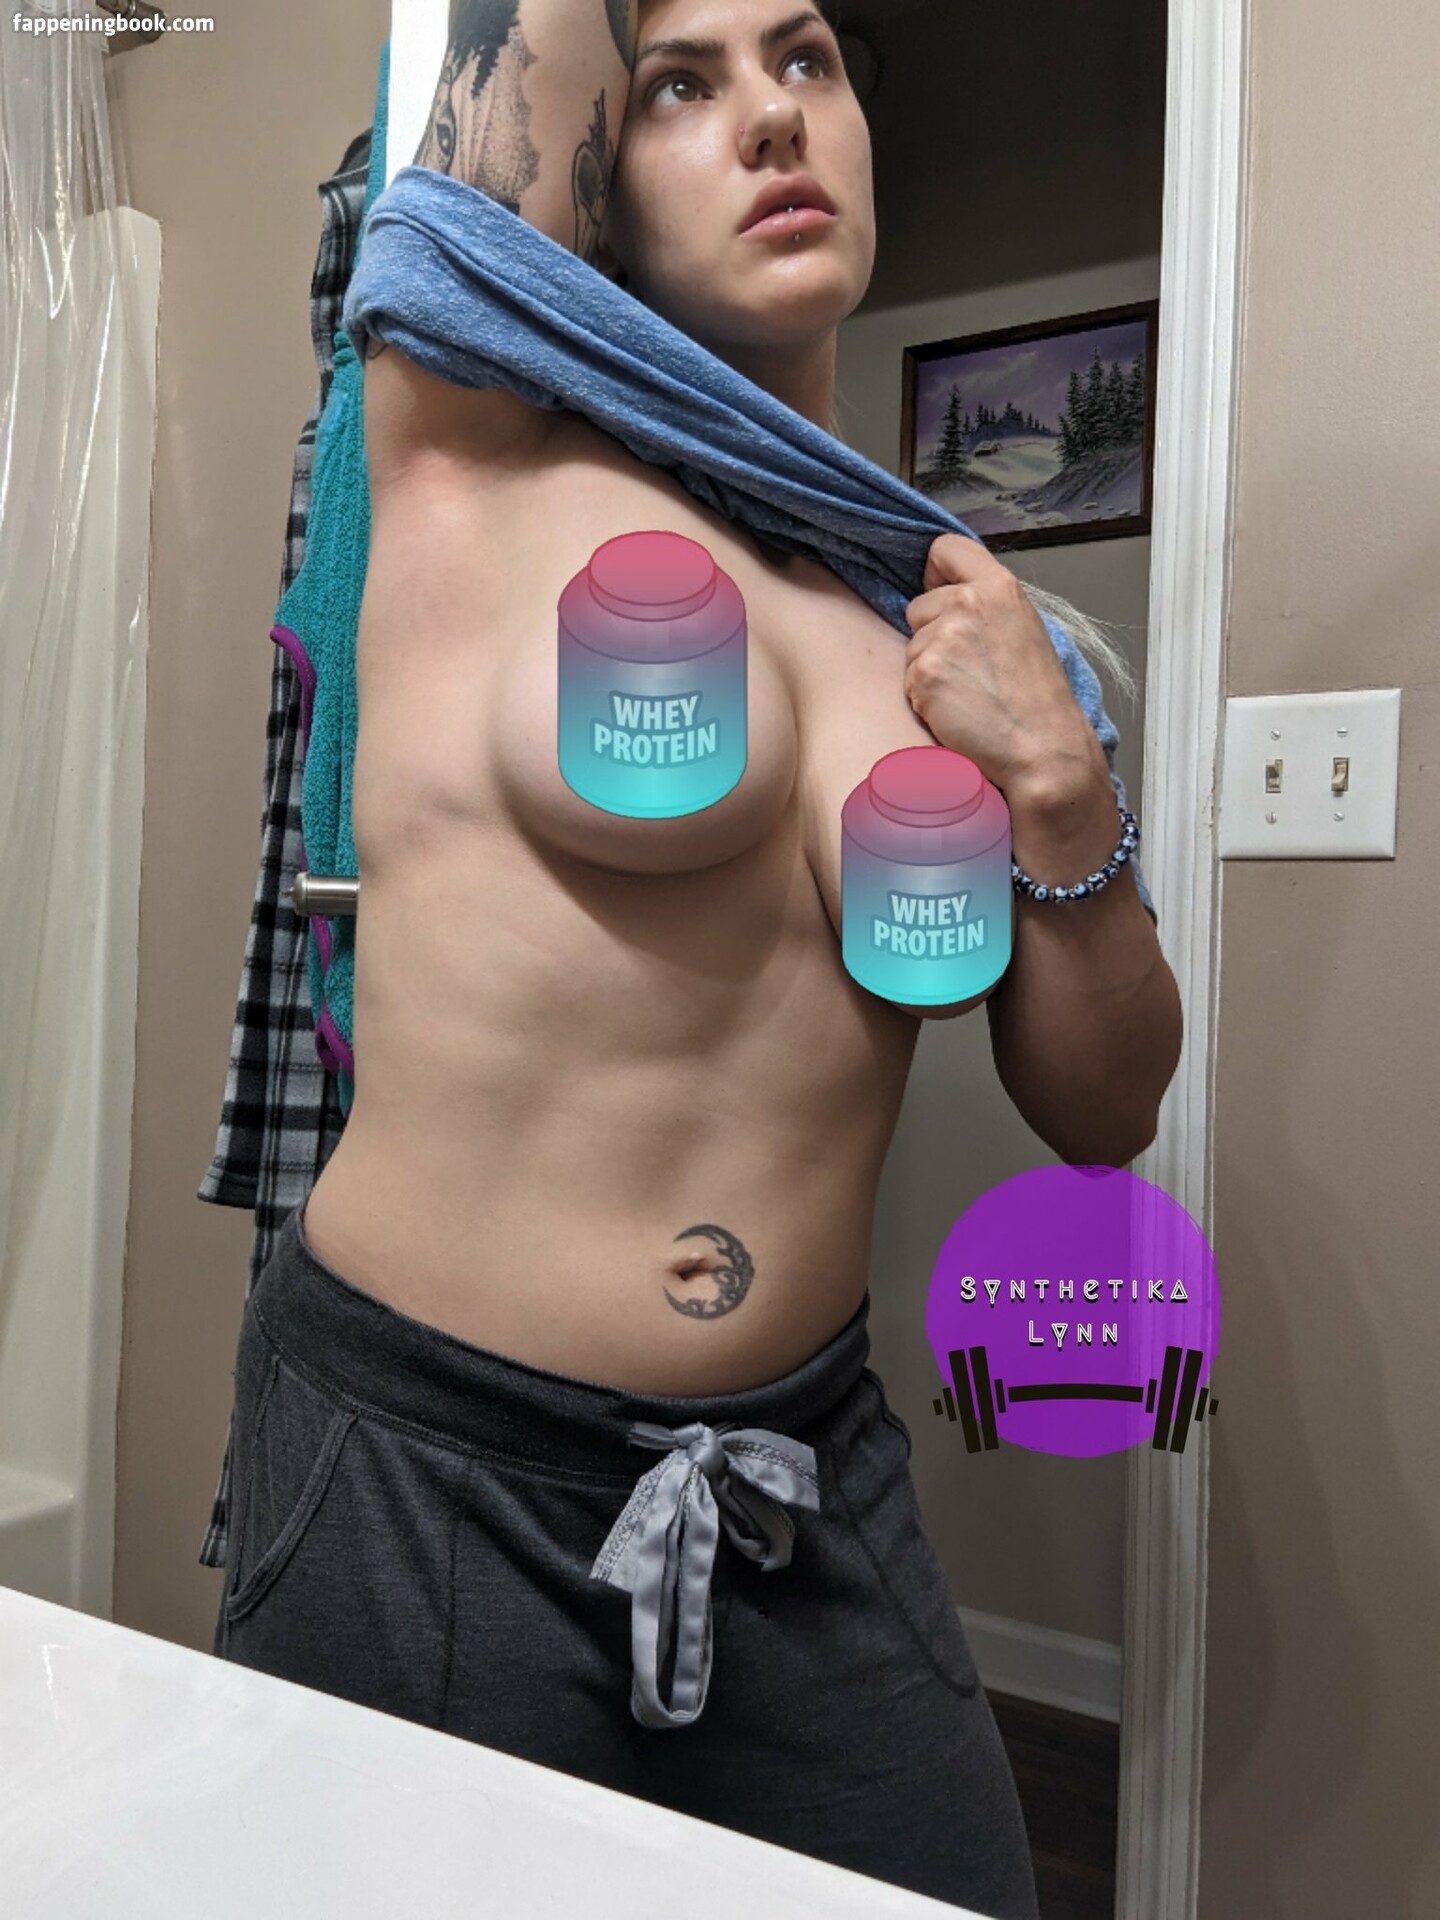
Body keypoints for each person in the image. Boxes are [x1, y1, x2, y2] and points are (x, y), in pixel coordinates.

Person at [215, 4, 1183, 1914]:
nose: (769, 119)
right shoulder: (475, 439)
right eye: (683, 83)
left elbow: (1105, 1107)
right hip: (433, 1477)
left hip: (806, 1482)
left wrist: (1064, 794)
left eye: (807, 62)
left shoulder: (958, 630)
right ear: (596, 165)